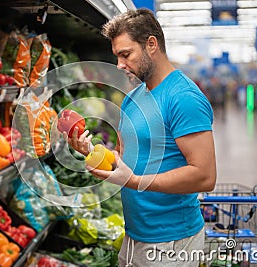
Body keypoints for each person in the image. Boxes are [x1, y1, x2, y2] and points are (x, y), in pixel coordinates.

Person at [63, 8, 216, 267]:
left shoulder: (183, 97)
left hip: (171, 242)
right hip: (134, 235)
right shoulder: (134, 98)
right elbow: (125, 160)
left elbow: (205, 176)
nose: (119, 65)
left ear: (151, 45)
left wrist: (134, 181)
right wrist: (90, 150)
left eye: (126, 54)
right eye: (117, 56)